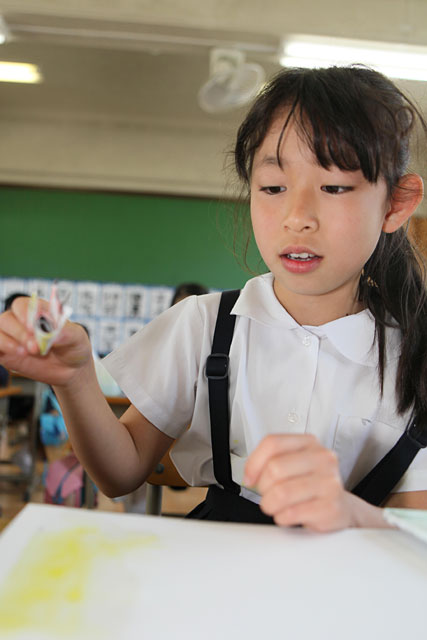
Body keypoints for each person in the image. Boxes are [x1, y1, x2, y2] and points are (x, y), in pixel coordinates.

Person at [0, 65, 427, 531]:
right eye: (273, 188)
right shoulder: (204, 325)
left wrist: (354, 514)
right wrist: (75, 378)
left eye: (335, 187)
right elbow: (120, 474)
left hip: (358, 570)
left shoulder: (415, 350)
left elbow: (415, 531)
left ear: (396, 204)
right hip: (215, 559)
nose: (297, 216)